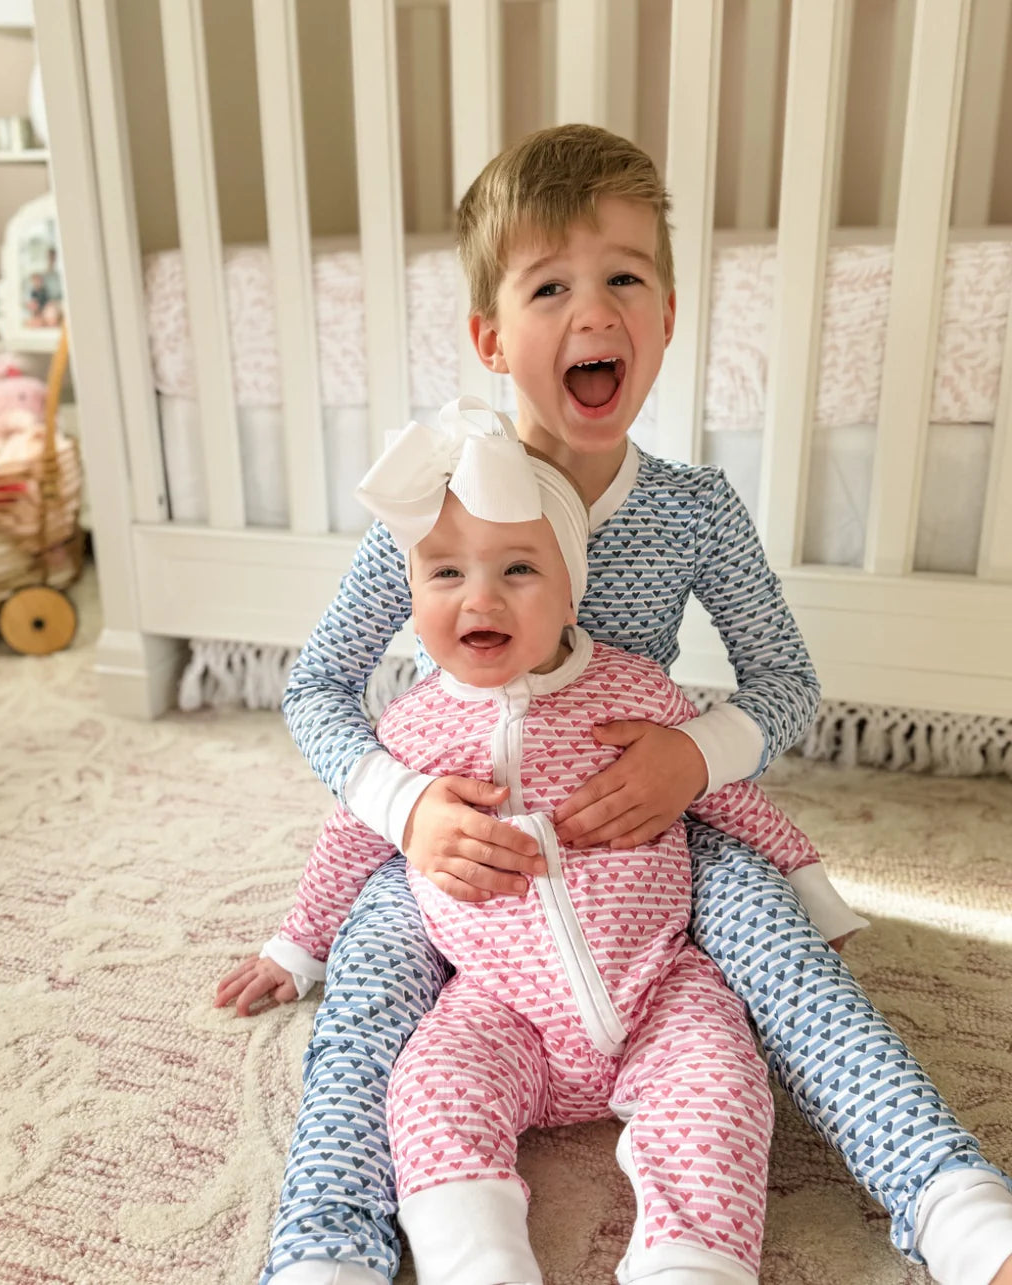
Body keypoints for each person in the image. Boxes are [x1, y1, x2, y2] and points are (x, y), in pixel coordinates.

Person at [244, 125, 1012, 1285]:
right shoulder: (433, 497)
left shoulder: (694, 508)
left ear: (662, 317)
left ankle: (950, 1199)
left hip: (652, 825)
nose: (592, 308)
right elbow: (318, 685)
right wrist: (405, 811)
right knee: (365, 1006)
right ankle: (326, 1251)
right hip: (462, 831)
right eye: (551, 284)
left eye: (624, 278)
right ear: (492, 337)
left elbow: (783, 683)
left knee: (793, 966)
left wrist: (692, 761)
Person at [220, 408, 858, 1283]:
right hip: (497, 1007)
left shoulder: (633, 690)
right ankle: (479, 1261)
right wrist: (297, 945)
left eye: (518, 569)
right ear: (412, 599)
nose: (478, 597)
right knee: (428, 1090)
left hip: (659, 987)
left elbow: (730, 798)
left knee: (725, 1086)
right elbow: (348, 836)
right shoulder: (409, 731)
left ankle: (693, 1261)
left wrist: (810, 891)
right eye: (445, 573)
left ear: (571, 590)